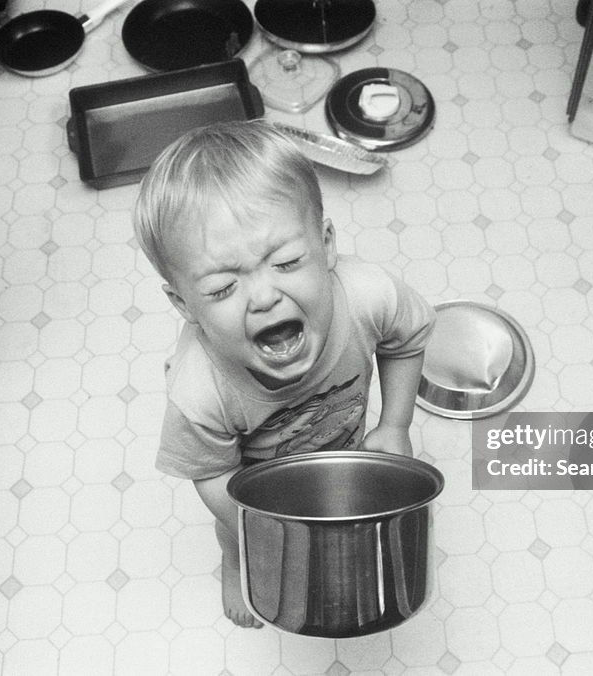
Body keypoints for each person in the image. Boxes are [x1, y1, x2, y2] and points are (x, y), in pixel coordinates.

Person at [132, 120, 436, 628]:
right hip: (255, 490)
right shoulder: (200, 388)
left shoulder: (368, 295)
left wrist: (394, 425)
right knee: (235, 537)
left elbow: (408, 339)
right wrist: (263, 529)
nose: (265, 296)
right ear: (182, 303)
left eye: (288, 262)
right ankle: (235, 561)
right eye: (223, 288)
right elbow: (209, 472)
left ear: (326, 243)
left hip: (342, 450)